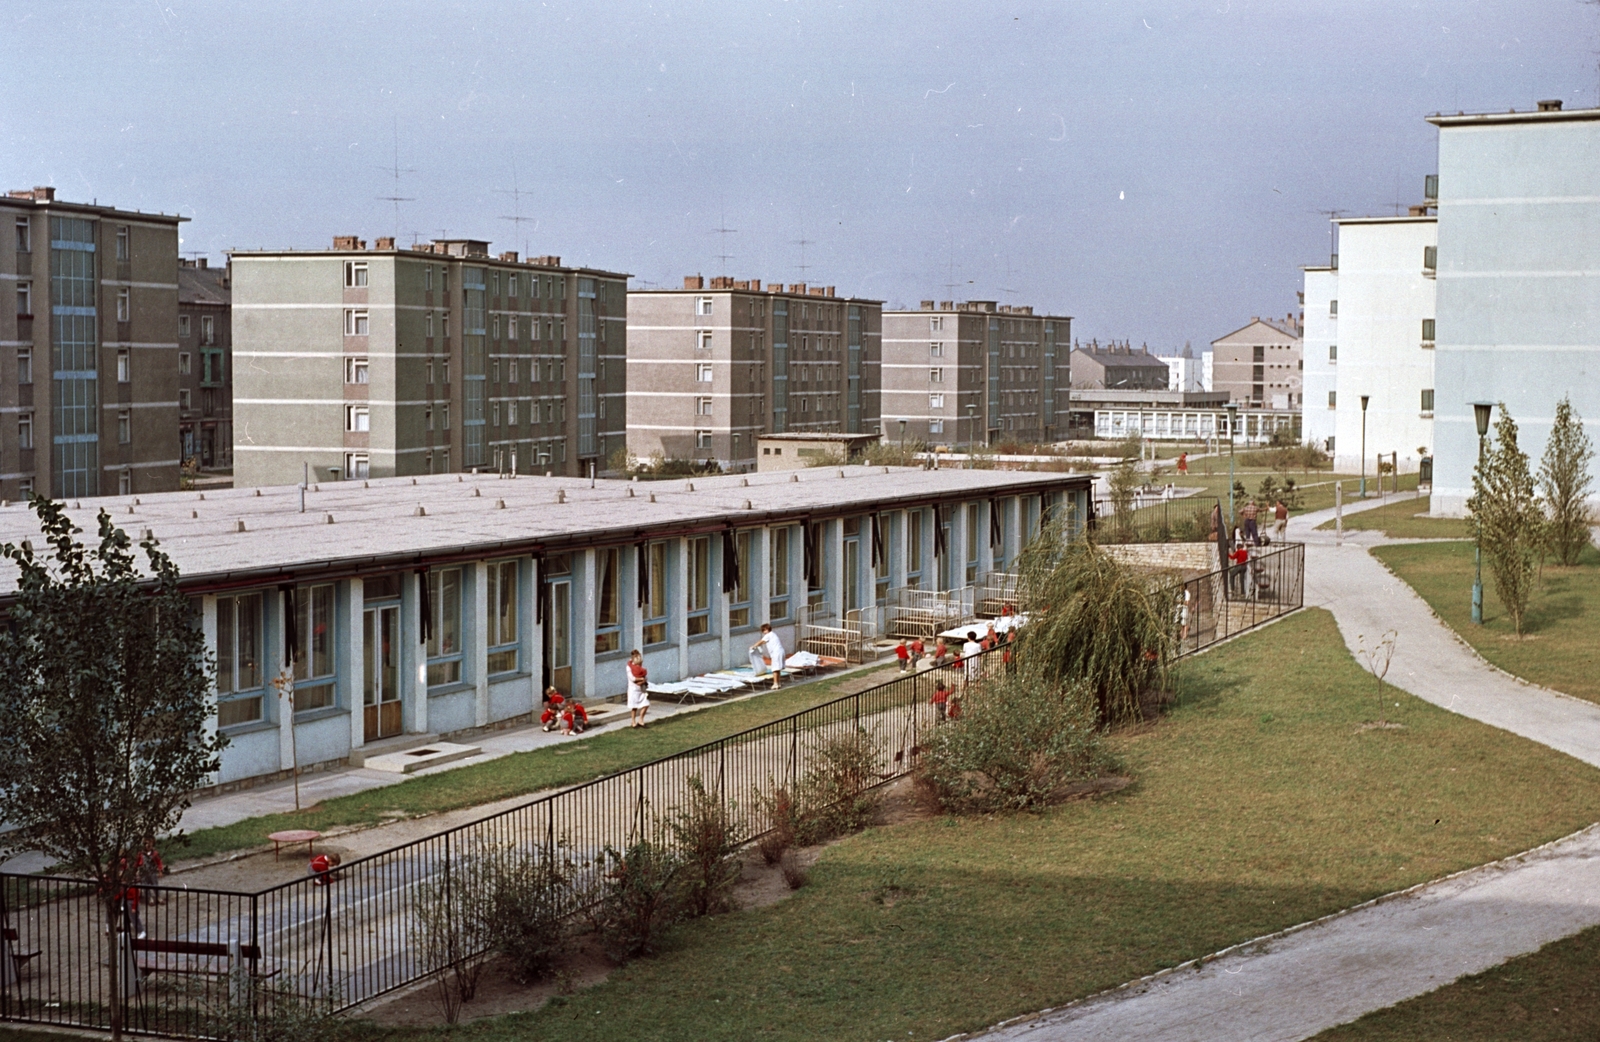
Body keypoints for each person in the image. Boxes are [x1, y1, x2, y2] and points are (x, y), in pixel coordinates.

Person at [749, 623, 786, 690]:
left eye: (764, 630)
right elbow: (764, 642)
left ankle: (775, 684)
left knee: (775, 669)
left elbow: (761, 641)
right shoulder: (773, 634)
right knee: (778, 669)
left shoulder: (768, 635)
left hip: (776, 653)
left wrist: (753, 646)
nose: (763, 632)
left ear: (766, 629)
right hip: (781, 651)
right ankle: (778, 683)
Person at [137, 836, 165, 905]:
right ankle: (150, 898)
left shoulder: (155, 853)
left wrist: (160, 870)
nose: (148, 845)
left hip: (152, 871)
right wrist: (136, 871)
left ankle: (158, 897)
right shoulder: (141, 853)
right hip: (143, 872)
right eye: (146, 843)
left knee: (155, 884)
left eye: (150, 843)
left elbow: (159, 862)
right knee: (145, 885)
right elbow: (137, 862)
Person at [626, 650, 650, 727]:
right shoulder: (629, 667)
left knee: (646, 704)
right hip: (633, 689)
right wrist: (641, 679)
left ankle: (641, 720)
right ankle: (633, 722)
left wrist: (644, 680)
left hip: (641, 689)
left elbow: (645, 676)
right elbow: (632, 678)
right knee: (634, 707)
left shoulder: (640, 666)